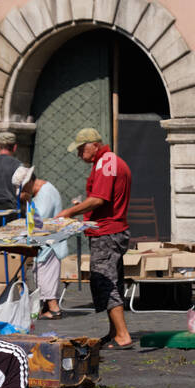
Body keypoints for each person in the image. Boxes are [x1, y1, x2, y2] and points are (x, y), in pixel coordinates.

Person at [55, 128, 133, 349]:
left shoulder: (106, 163)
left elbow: (99, 199)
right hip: (110, 230)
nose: (80, 154)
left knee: (105, 281)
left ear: (94, 145)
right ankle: (115, 332)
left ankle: (123, 335)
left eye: (82, 149)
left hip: (107, 232)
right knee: (112, 280)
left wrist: (70, 212)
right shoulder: (109, 162)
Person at [22, 171, 66, 319]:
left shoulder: (45, 193)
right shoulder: (43, 191)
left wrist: (28, 200)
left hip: (49, 243)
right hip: (45, 242)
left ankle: (54, 308)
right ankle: (48, 306)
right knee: (42, 273)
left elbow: (40, 221)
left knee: (44, 274)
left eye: (23, 188)